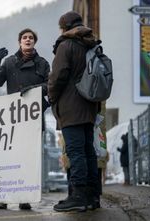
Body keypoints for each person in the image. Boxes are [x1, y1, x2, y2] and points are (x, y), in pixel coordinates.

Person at [0, 28, 50, 210]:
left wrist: (33, 90)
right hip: (12, 118)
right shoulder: (8, 62)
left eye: (31, 38)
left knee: (28, 159)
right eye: (24, 37)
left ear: (34, 42)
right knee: (8, 159)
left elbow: (50, 85)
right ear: (19, 42)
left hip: (33, 118)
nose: (28, 40)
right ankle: (3, 197)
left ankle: (25, 196)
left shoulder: (43, 63)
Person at [48, 11, 100, 212]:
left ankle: (77, 196)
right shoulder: (90, 44)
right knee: (88, 152)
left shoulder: (66, 45)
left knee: (76, 152)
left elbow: (57, 76)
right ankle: (92, 196)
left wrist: (52, 96)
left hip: (71, 107)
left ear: (64, 27)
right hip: (89, 106)